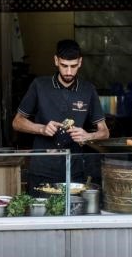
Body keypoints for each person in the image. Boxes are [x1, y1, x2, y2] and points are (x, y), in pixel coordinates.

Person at [12, 39, 109, 193]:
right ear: (56, 60)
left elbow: (105, 132)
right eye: (64, 66)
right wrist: (42, 129)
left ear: (80, 62)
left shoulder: (88, 90)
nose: (69, 72)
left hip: (75, 169)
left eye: (73, 66)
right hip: (42, 168)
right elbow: (17, 122)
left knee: (73, 214)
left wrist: (87, 136)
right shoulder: (39, 85)